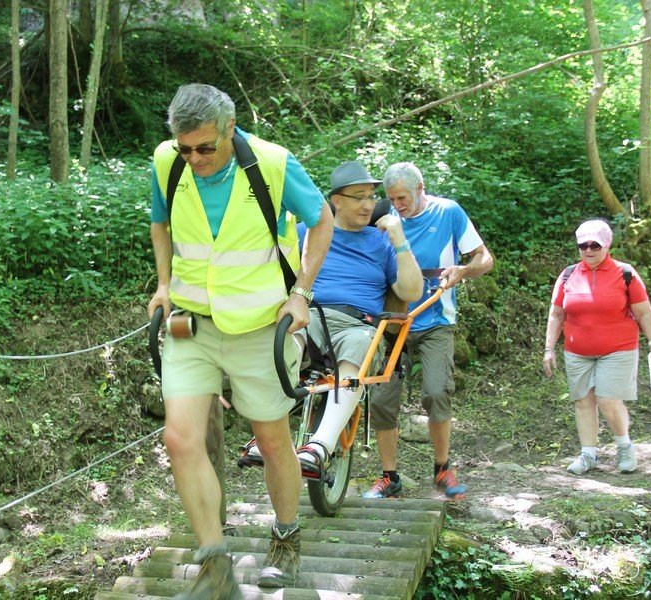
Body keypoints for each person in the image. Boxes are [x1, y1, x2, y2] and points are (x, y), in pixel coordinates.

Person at [147, 83, 333, 598]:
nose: (195, 158)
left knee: (273, 442)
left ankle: (286, 537)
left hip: (260, 327)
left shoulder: (272, 164)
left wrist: (300, 294)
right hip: (191, 324)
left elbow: (323, 222)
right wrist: (163, 284)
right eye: (186, 148)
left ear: (231, 129)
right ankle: (214, 562)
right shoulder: (167, 161)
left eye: (205, 147)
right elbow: (160, 224)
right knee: (179, 439)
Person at [364, 162, 493, 500]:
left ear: (421, 188)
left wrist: (462, 271)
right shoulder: (382, 214)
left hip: (435, 319)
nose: (398, 204)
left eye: (403, 197)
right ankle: (389, 476)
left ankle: (443, 469)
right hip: (391, 320)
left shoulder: (447, 212)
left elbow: (484, 258)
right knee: (381, 399)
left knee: (436, 392)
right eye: (392, 198)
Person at [291, 161, 423, 474]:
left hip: (358, 325)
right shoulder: (304, 233)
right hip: (311, 314)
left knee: (359, 349)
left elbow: (412, 290)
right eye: (359, 197)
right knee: (284, 341)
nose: (369, 205)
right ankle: (265, 434)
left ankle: (319, 447)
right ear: (337, 201)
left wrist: (399, 241)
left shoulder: (381, 242)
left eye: (372, 197)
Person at [543, 219, 651, 475]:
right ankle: (588, 454)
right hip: (577, 351)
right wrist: (549, 349)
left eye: (594, 245)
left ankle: (624, 446)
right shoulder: (568, 275)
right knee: (583, 401)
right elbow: (556, 315)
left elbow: (644, 313)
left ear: (606, 245)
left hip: (618, 348)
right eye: (583, 245)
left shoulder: (625, 273)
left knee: (608, 400)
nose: (588, 250)